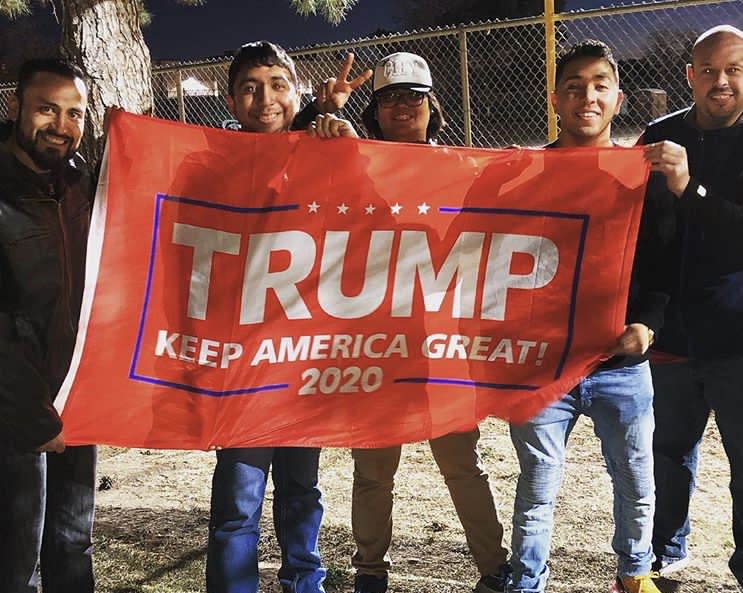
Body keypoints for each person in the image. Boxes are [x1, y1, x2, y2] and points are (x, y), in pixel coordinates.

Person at [342, 52, 512, 593]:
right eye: (389, 97)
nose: (401, 106)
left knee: (462, 464)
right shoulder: (353, 164)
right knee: (372, 471)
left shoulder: (461, 169)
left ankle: (494, 567)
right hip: (374, 343)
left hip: (442, 343)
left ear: (430, 105)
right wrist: (314, 123)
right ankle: (369, 570)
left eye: (412, 96)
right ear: (374, 110)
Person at [206, 40, 368, 593]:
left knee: (302, 490)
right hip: (244, 363)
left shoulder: (319, 148)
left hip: (303, 357)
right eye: (250, 87)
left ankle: (305, 582)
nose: (264, 99)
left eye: (277, 85)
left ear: (295, 93)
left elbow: (372, 209)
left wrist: (340, 138)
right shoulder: (213, 161)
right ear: (231, 99)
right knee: (238, 497)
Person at [507, 40, 668, 593]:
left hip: (620, 363)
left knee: (636, 479)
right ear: (555, 99)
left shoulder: (639, 176)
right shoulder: (527, 174)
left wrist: (647, 323)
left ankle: (634, 573)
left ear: (618, 99)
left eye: (600, 85)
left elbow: (663, 261)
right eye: (574, 86)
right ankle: (527, 581)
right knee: (536, 487)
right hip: (545, 364)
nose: (587, 96)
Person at [640, 24, 743, 586]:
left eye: (734, 69)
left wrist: (689, 187)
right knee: (667, 451)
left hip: (737, 335)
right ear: (690, 76)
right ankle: (663, 551)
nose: (721, 81)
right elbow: (623, 223)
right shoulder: (659, 134)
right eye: (709, 70)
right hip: (671, 333)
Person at [0, 58, 96, 593]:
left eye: (74, 113)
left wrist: (316, 119)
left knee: (72, 541)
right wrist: (35, 414)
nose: (61, 124)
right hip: (16, 409)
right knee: (16, 555)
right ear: (15, 107)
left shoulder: (83, 182)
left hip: (75, 397)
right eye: (46, 109)